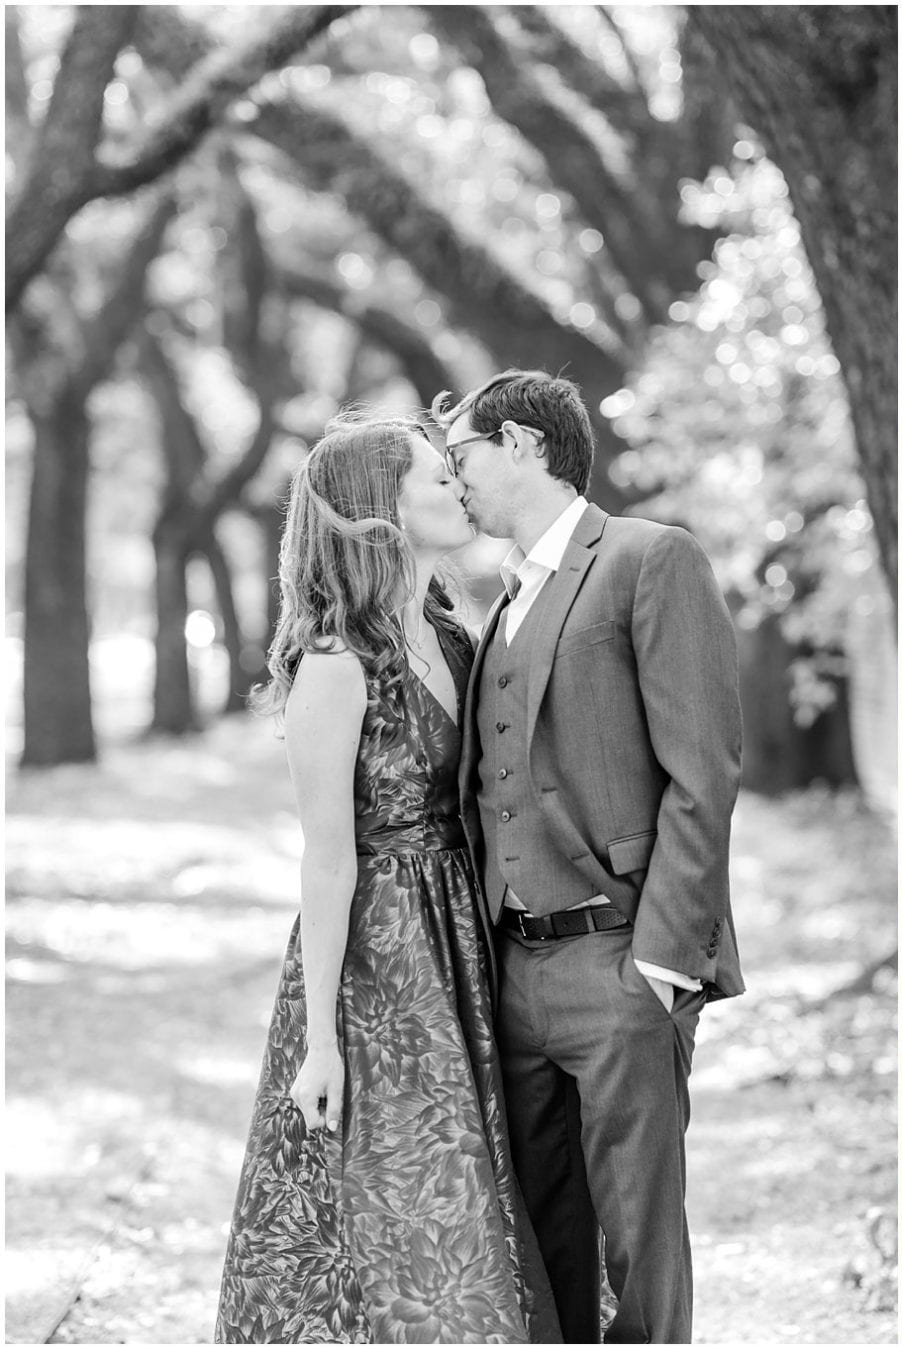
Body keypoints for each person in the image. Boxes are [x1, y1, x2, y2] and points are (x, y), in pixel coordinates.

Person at [215, 414, 570, 1344]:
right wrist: (322, 1040)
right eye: (435, 477)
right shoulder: (337, 666)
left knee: (489, 1175)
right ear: (384, 508)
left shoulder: (454, 633)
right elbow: (327, 859)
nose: (458, 487)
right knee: (416, 1187)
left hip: (465, 931)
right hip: (383, 958)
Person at [436, 370, 743, 1344]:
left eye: (463, 457)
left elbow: (704, 772)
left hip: (621, 963)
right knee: (544, 1238)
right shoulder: (507, 596)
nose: (457, 481)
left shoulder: (651, 559)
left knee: (639, 1245)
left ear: (521, 442)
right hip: (516, 971)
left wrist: (659, 961)